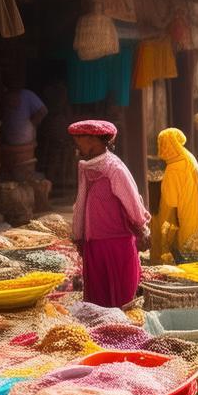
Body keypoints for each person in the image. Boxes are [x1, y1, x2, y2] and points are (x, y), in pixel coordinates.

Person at [70, 120, 150, 308]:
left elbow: (132, 202)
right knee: (97, 301)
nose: (77, 144)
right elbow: (80, 203)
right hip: (93, 244)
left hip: (117, 244)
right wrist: (78, 235)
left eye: (79, 139)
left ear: (92, 140)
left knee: (121, 301)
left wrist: (142, 228)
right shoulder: (86, 168)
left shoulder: (114, 168)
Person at [150, 128, 198, 263]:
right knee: (193, 254)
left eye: (162, 143)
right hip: (195, 213)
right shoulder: (188, 157)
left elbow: (170, 203)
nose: (161, 148)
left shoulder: (174, 168)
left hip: (183, 217)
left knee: (182, 253)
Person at [0, 76, 47, 179]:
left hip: (21, 139)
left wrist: (32, 124)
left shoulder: (26, 95)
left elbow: (43, 111)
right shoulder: (5, 96)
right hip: (12, 140)